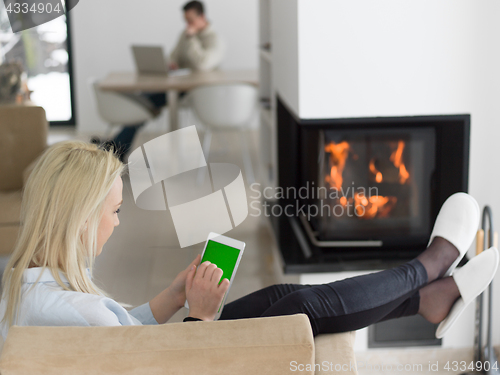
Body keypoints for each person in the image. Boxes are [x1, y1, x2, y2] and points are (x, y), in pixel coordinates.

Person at [0, 140, 498, 341]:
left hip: (162, 354)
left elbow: (119, 340)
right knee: (305, 306)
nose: (118, 224)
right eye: (113, 212)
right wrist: (201, 316)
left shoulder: (23, 284)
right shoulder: (75, 312)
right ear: (78, 219)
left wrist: (171, 299)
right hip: (189, 365)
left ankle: (427, 298)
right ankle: (430, 267)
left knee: (283, 296)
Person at [91, 1, 224, 162]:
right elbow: (174, 56)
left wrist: (191, 38)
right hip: (178, 86)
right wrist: (172, 64)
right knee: (145, 100)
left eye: (190, 20)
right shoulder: (185, 34)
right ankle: (117, 146)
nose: (187, 24)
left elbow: (202, 63)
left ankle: (117, 146)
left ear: (202, 17)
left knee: (145, 102)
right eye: (185, 20)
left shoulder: (214, 39)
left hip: (198, 92)